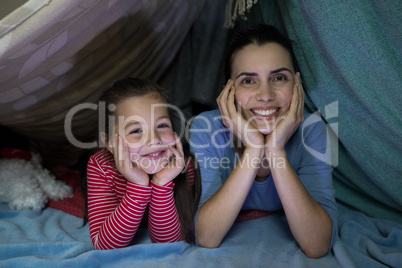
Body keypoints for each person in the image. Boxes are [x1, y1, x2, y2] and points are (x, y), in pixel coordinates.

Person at [189, 24, 337, 258]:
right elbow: (206, 237)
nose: (266, 96)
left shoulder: (312, 131)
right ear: (229, 90)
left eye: (279, 78)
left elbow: (318, 245)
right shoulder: (206, 128)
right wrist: (254, 147)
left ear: (296, 84)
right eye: (249, 81)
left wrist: (275, 149)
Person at [87, 78, 201, 250]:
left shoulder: (183, 166)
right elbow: (105, 245)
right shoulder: (101, 166)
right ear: (109, 142)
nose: (154, 139)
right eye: (136, 130)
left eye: (162, 125)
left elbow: (168, 244)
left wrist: (162, 183)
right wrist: (138, 184)